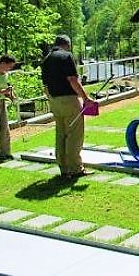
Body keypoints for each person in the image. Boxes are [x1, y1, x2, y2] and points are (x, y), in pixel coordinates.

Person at [41, 35, 96, 178]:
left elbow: (45, 86)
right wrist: (85, 98)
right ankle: (75, 168)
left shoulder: (47, 59)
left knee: (61, 134)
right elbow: (72, 79)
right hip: (69, 99)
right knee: (74, 135)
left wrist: (51, 100)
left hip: (54, 100)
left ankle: (63, 168)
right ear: (67, 45)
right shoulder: (66, 56)